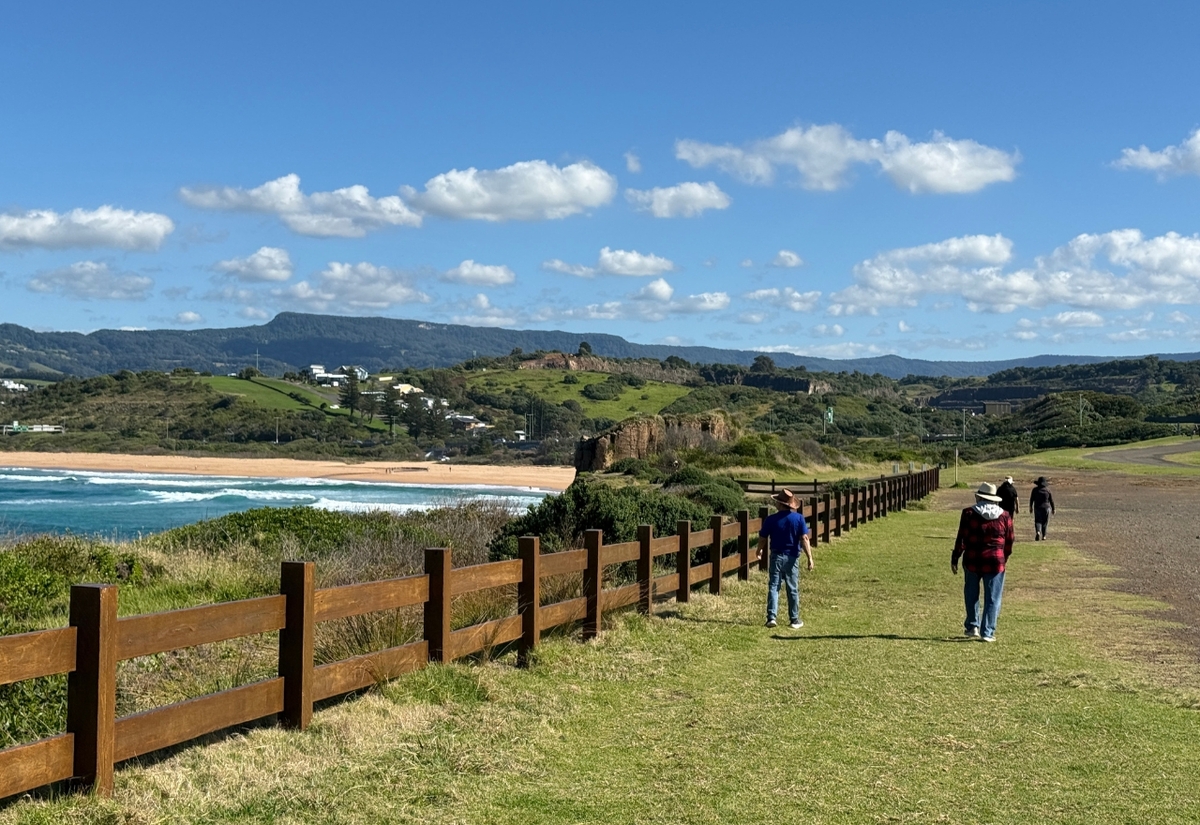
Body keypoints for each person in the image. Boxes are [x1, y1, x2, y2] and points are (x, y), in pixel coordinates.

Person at [951, 482, 1014, 642]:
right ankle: (988, 631)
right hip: (995, 560)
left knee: (971, 594)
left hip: (972, 558)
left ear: (979, 497)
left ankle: (973, 626)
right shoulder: (1005, 515)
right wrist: (1004, 558)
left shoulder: (968, 513)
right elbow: (1009, 540)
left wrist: (955, 557)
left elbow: (962, 538)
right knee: (993, 597)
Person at [759, 488, 813, 630]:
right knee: (792, 588)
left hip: (776, 556)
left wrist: (759, 550)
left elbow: (763, 538)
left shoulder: (771, 519)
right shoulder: (798, 518)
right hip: (792, 558)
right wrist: (810, 558)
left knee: (774, 586)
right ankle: (794, 619)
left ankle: (771, 617)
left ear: (780, 504)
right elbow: (804, 539)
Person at [1029, 476, 1055, 540]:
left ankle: (1038, 531)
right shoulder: (1047, 490)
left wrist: (1030, 507)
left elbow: (1031, 499)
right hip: (1046, 508)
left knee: (1038, 521)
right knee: (1045, 522)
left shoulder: (1035, 490)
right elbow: (1051, 500)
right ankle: (1044, 536)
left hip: (1037, 507)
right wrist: (1053, 508)